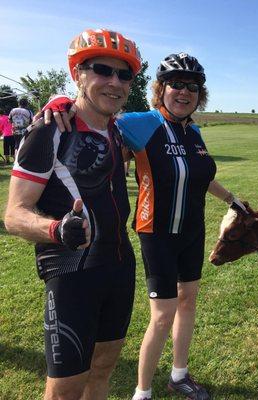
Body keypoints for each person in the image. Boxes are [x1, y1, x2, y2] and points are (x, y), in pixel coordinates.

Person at [41, 52, 244, 400]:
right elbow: (93, 115)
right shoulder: (141, 123)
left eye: (192, 86)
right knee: (163, 315)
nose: (184, 92)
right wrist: (61, 102)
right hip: (157, 233)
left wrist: (231, 200)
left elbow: (199, 177)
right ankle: (143, 391)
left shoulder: (193, 132)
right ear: (160, 89)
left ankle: (179, 375)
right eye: (176, 84)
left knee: (188, 302)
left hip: (192, 232)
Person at [4, 28, 141, 399]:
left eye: (124, 74)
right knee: (64, 389)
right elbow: (14, 214)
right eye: (102, 70)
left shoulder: (117, 128)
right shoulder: (48, 132)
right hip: (71, 272)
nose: (114, 82)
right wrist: (55, 230)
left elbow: (172, 111)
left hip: (118, 265)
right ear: (77, 74)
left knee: (103, 370)